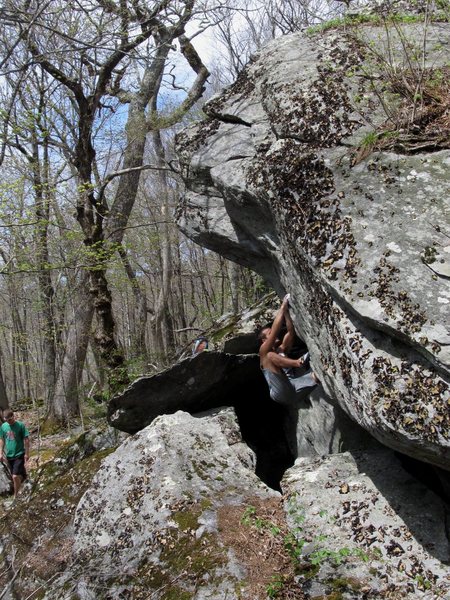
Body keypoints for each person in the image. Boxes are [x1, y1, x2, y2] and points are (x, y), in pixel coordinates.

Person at [258, 295, 318, 406]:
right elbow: (276, 330)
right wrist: (282, 307)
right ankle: (298, 362)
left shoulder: (281, 349)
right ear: (264, 340)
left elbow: (290, 332)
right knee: (270, 355)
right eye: (269, 334)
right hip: (280, 393)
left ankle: (301, 363)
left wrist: (286, 314)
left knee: (318, 376)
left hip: (293, 389)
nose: (274, 335)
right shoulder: (263, 352)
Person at [0, 409, 30, 497]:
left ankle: (16, 496)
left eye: (10, 419)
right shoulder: (3, 427)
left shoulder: (20, 425)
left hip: (19, 454)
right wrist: (1, 452)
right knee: (20, 475)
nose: (9, 422)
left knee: (15, 476)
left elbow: (26, 439)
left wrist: (27, 453)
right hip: (9, 455)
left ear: (13, 416)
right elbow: (2, 439)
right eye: (6, 420)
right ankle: (25, 479)